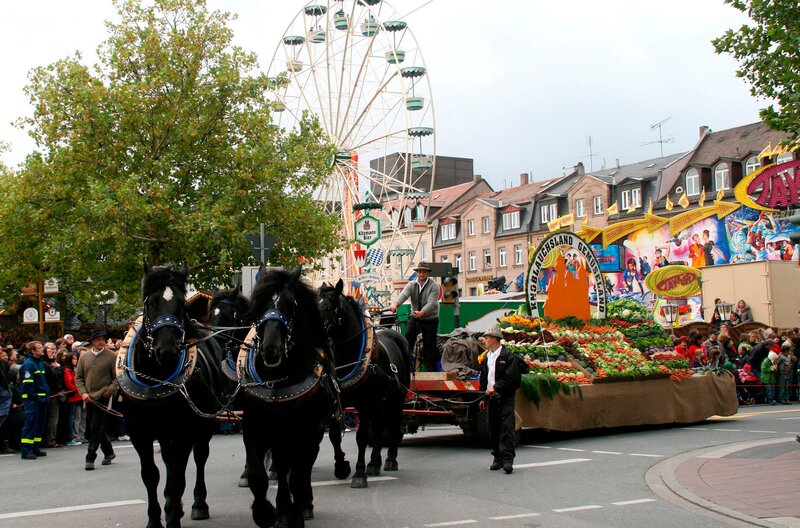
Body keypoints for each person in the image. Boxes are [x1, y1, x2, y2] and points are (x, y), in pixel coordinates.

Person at [479, 326, 527, 474]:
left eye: (486, 338)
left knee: (507, 428)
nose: (484, 340)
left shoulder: (508, 357)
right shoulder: (487, 357)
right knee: (493, 428)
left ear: (494, 339)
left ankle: (507, 460)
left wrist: (496, 387)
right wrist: (483, 397)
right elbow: (484, 378)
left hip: (505, 398)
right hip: (491, 398)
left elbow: (513, 378)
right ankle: (497, 458)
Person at [76, 329, 119, 470]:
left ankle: (90, 456)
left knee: (95, 426)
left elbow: (117, 377)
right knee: (95, 425)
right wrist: (82, 393)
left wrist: (110, 390)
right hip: (88, 397)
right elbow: (79, 378)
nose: (102, 342)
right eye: (98, 339)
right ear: (92, 341)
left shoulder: (112, 356)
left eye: (103, 339)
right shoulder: (84, 357)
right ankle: (109, 452)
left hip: (103, 396)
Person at [388, 263, 441, 372]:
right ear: (417, 273)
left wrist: (422, 312)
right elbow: (403, 295)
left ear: (428, 273)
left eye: (424, 272)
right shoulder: (411, 284)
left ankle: (429, 368)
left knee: (429, 343)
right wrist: (395, 304)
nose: (421, 274)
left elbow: (432, 303)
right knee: (408, 338)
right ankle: (407, 364)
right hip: (415, 316)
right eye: (420, 272)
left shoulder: (434, 286)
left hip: (430, 318)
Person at [19, 341, 50, 460]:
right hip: (32, 401)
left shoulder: (40, 363)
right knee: (30, 423)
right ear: (33, 351)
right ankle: (26, 450)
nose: (42, 349)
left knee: (40, 424)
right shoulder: (29, 365)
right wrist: (36, 398)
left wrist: (45, 397)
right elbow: (28, 386)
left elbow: (43, 383)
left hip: (41, 399)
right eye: (40, 348)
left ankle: (35, 447)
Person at [42, 342, 64, 448]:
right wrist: (59, 368)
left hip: (53, 391)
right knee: (53, 417)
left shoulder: (51, 362)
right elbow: (54, 376)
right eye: (49, 349)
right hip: (51, 392)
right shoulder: (45, 364)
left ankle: (51, 438)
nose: (52, 351)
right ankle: (50, 439)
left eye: (54, 349)